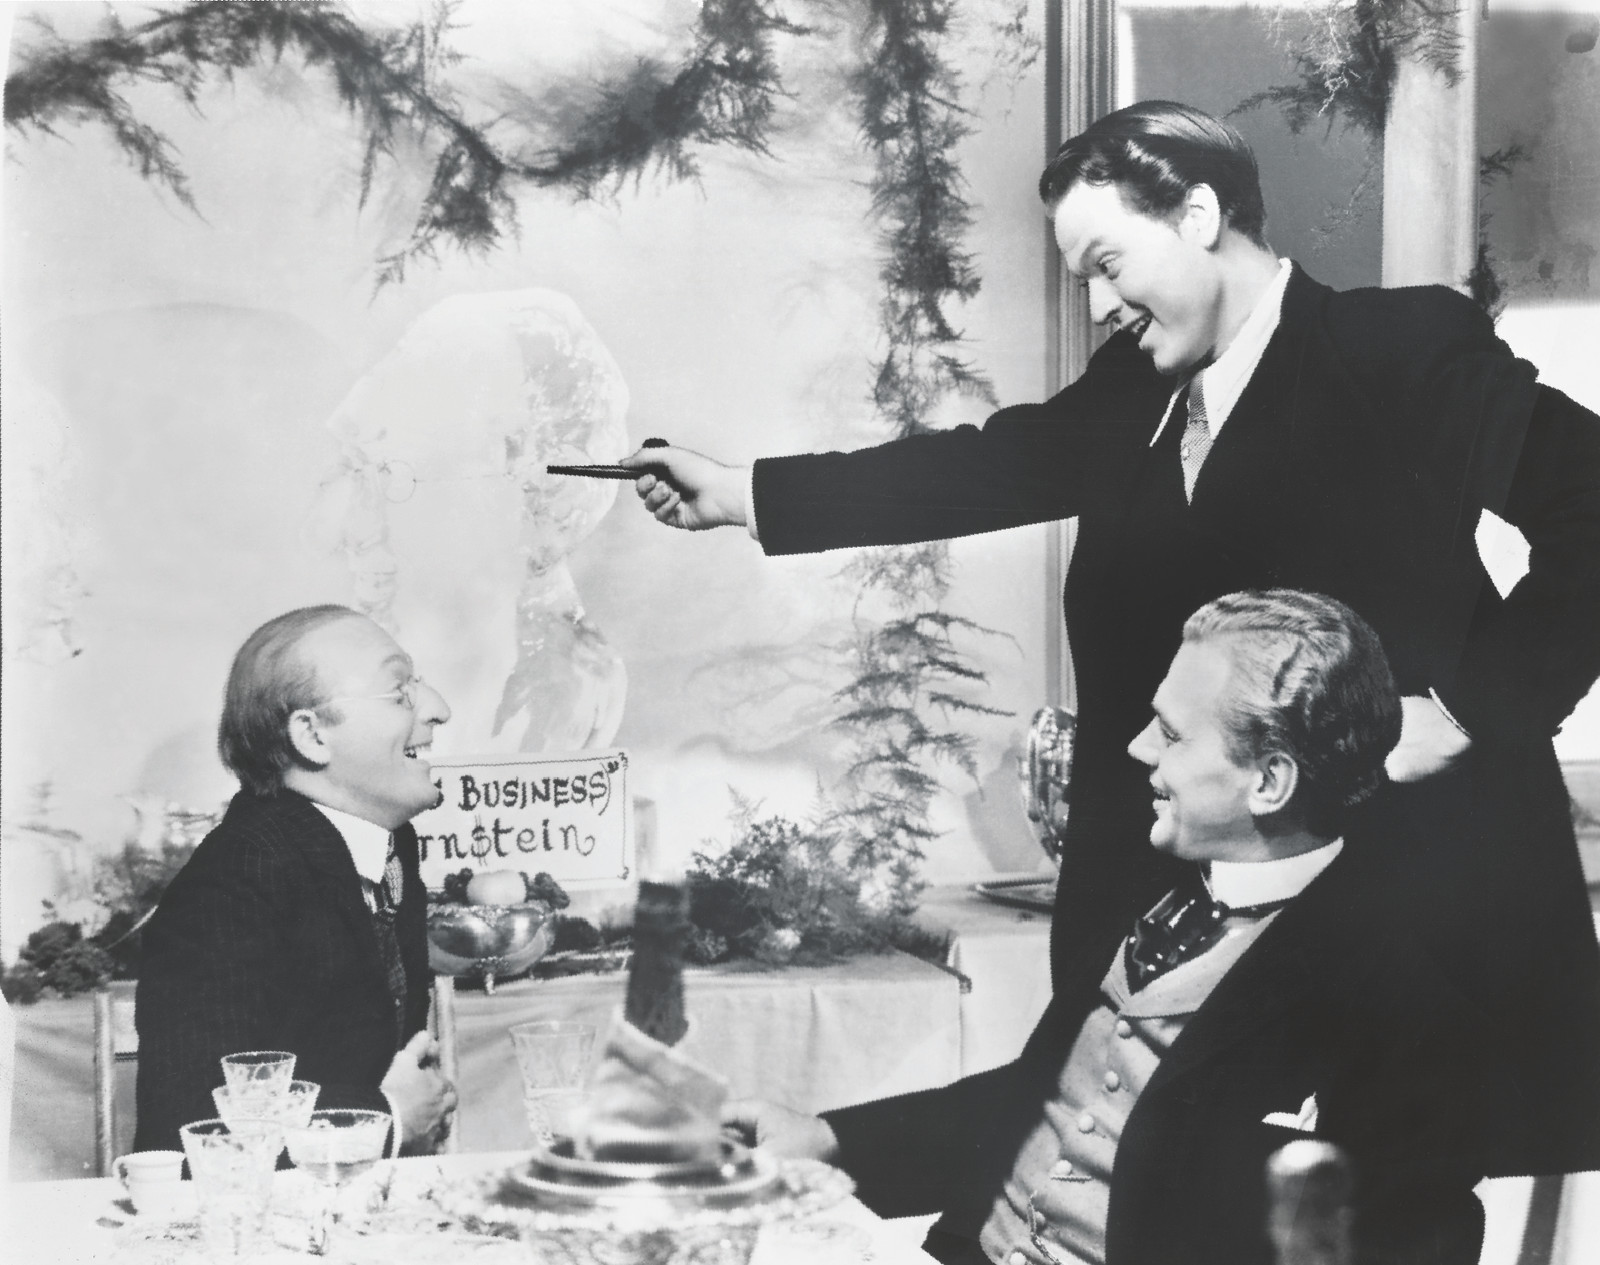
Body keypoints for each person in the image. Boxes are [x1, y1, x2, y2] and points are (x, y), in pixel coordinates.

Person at [626, 101, 1600, 1178]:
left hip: (1415, 940)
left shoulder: (1395, 349)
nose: (1097, 305)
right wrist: (743, 494)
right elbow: (980, 468)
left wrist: (1466, 710)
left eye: (1107, 264)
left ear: (1198, 214)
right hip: (1188, 926)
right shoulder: (1135, 396)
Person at [731, 590, 1514, 1265]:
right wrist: (827, 1137)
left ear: (1270, 780)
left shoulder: (1408, 1009)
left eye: (1171, 733)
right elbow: (1045, 1096)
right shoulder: (1146, 880)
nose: (1138, 748)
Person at [134, 605, 457, 1155]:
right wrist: (389, 1118)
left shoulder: (387, 845)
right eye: (399, 691)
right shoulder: (233, 880)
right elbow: (189, 1123)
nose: (438, 709)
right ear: (311, 735)